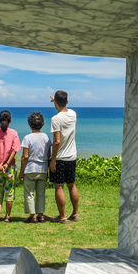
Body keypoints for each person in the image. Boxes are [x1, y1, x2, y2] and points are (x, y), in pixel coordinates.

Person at [48, 90, 79, 222]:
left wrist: (53, 160)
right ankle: (75, 214)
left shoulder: (56, 119)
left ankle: (62, 216)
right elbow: (63, 105)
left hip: (60, 158)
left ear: (55, 102)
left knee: (59, 186)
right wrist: (56, 100)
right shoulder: (73, 114)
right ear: (67, 101)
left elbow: (56, 141)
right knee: (71, 185)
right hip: (72, 156)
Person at [18, 111, 51, 224]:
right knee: (41, 193)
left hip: (30, 168)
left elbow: (25, 156)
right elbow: (49, 155)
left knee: (29, 193)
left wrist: (21, 171)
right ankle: (41, 215)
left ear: (30, 124)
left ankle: (33, 216)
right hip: (43, 168)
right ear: (42, 124)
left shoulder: (27, 138)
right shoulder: (46, 137)